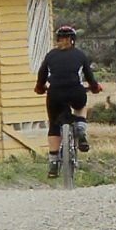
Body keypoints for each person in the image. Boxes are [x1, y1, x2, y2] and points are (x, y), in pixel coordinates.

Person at [34, 25, 103, 178]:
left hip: (55, 94)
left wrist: (40, 88)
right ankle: (80, 127)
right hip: (75, 91)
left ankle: (53, 162)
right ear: (73, 40)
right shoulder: (80, 55)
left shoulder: (50, 56)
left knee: (53, 124)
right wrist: (95, 87)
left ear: (58, 40)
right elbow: (90, 78)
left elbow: (41, 75)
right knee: (80, 106)